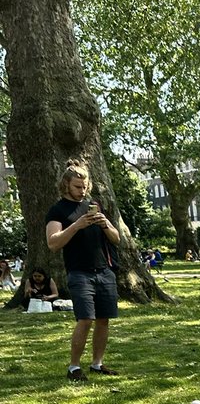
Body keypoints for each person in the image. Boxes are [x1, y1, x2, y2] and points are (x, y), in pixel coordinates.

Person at [45, 162, 121, 382]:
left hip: (104, 271)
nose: (82, 190)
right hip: (79, 272)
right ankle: (74, 367)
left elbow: (116, 239)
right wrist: (77, 225)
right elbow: (52, 243)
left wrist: (105, 223)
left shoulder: (94, 205)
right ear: (66, 185)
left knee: (104, 319)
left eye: (85, 186)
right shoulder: (57, 210)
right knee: (86, 319)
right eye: (78, 186)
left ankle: (97, 364)